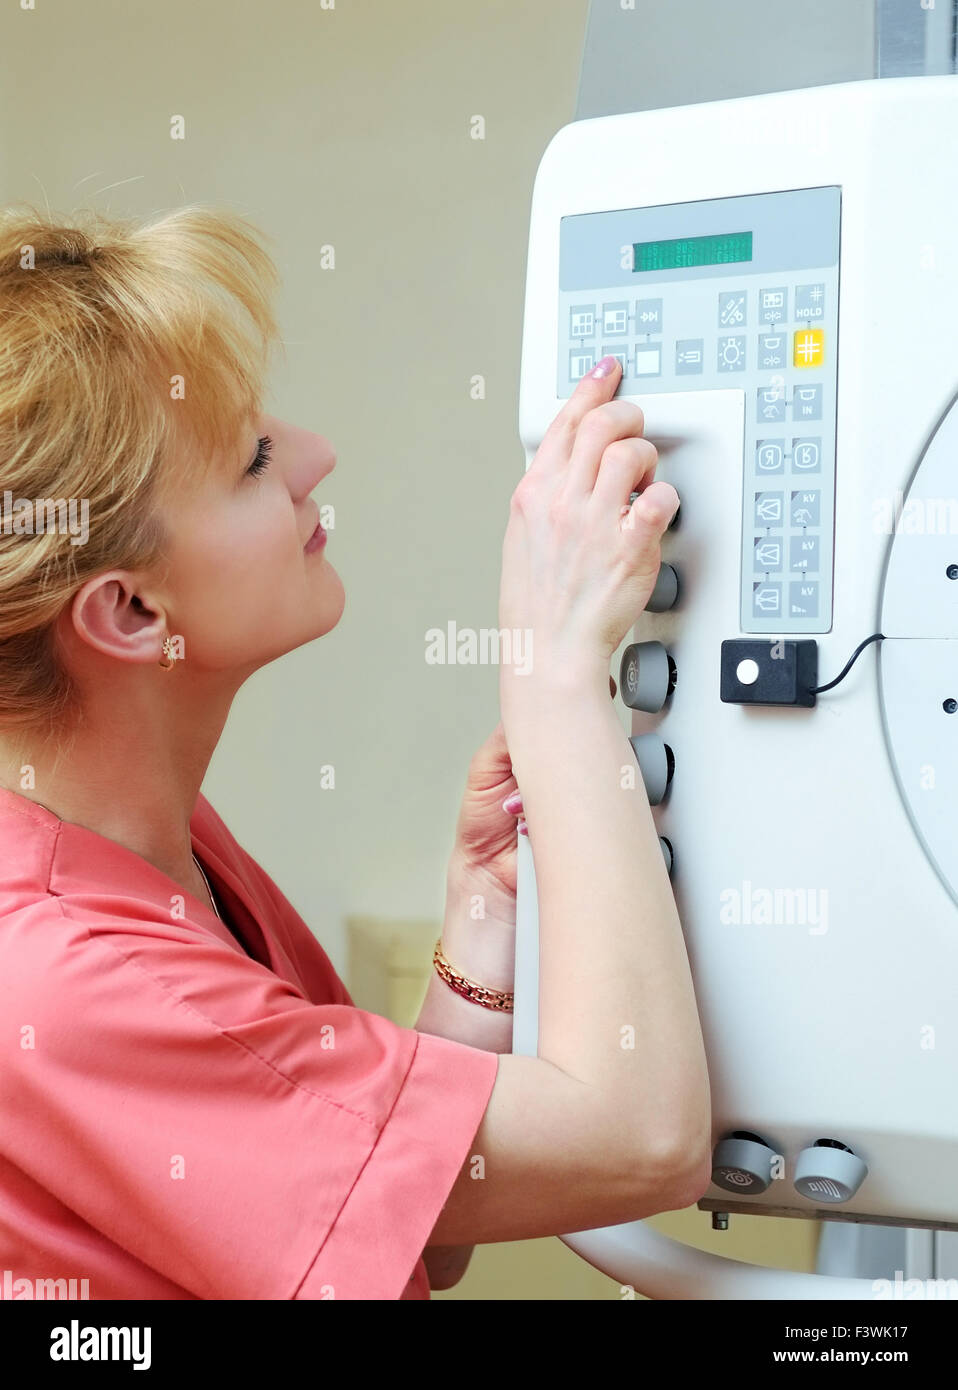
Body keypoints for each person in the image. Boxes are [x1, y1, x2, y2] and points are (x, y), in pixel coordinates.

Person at [0, 204, 711, 1301]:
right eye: (253, 459)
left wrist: (484, 913)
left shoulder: (160, 847)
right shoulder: (67, 972)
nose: (317, 455)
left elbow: (411, 1227)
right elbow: (644, 1140)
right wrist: (559, 672)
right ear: (132, 613)